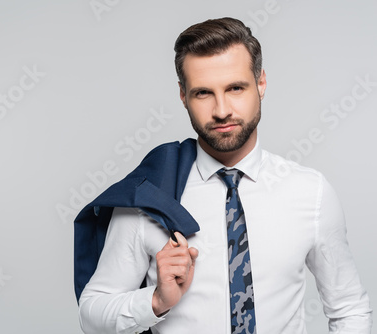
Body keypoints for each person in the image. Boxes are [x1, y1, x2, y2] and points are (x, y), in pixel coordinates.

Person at [76, 17, 372, 333]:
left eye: (235, 88)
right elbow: (92, 314)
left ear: (261, 83)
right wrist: (156, 301)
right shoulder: (151, 196)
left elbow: (348, 309)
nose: (221, 111)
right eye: (203, 93)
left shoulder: (310, 192)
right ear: (183, 95)